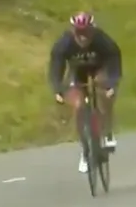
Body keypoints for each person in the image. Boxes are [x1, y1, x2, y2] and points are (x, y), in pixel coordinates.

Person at [47, 12, 124, 174]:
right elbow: (56, 66)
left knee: (103, 91)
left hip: (99, 69)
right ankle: (86, 150)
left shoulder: (101, 40)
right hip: (77, 73)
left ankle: (108, 131)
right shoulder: (64, 43)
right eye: (79, 34)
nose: (83, 38)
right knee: (79, 105)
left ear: (92, 30)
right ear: (73, 31)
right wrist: (58, 89)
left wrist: (112, 83)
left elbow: (114, 58)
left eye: (86, 33)